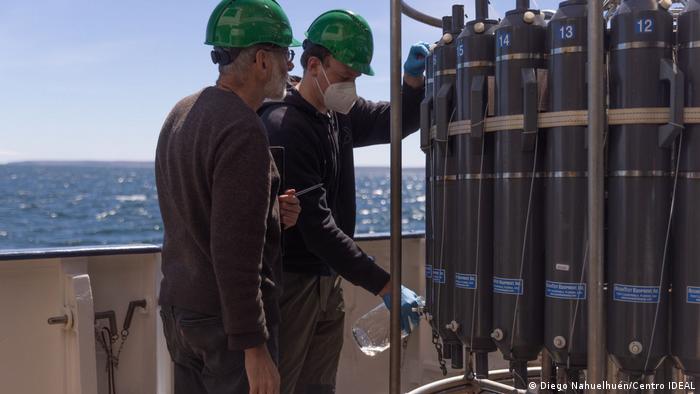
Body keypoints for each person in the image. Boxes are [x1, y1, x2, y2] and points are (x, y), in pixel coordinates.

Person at [259, 9, 429, 394]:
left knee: (318, 387)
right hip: (291, 282)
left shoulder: (339, 115)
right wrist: (385, 285)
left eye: (355, 78)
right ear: (314, 65)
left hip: (326, 280)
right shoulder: (285, 126)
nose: (350, 87)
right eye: (344, 77)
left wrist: (413, 85)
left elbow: (393, 121)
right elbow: (316, 227)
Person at [155, 1, 301, 393]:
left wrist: (269, 212)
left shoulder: (181, 113)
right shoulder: (243, 129)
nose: (290, 67)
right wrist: (255, 349)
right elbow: (234, 254)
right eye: (286, 55)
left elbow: (195, 209)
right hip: (227, 329)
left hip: (180, 311)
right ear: (261, 60)